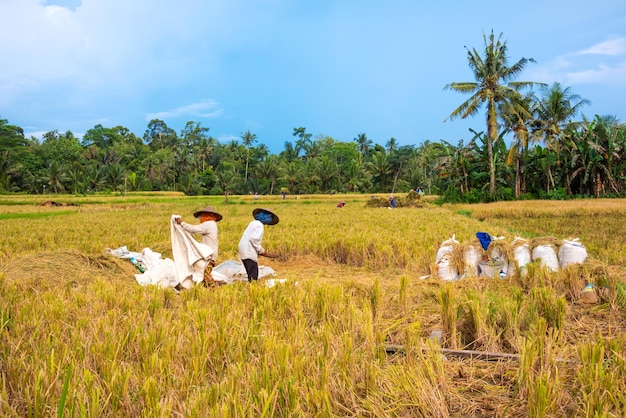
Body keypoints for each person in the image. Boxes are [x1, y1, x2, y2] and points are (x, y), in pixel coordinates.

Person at [175, 205, 222, 286]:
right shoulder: (212, 224)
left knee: (206, 273)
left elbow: (193, 229)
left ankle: (214, 289)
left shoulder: (209, 224)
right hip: (210, 254)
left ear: (207, 216)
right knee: (204, 274)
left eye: (202, 216)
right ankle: (208, 289)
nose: (201, 218)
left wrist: (181, 223)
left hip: (209, 255)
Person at [238, 208, 279, 282]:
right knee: (253, 274)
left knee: (250, 271)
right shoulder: (260, 226)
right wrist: (261, 251)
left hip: (243, 249)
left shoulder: (253, 223)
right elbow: (254, 239)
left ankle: (251, 287)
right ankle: (252, 290)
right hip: (249, 250)